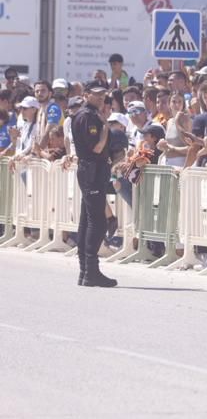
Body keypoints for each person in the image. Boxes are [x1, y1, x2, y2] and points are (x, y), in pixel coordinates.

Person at [71, 81, 117, 288]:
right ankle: (91, 270)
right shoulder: (88, 116)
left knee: (87, 220)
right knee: (97, 222)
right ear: (86, 94)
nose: (101, 98)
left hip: (91, 171)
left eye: (103, 95)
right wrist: (106, 128)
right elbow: (97, 148)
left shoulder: (89, 114)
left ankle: (85, 271)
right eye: (96, 94)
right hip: (92, 171)